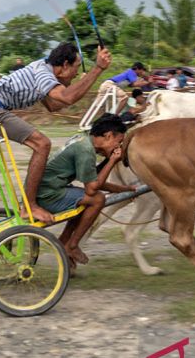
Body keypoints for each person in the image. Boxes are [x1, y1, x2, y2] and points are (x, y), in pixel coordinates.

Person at [0, 43, 112, 241]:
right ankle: (29, 206)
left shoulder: (40, 69)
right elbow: (67, 98)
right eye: (76, 69)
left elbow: (54, 105)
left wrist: (76, 85)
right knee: (42, 144)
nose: (76, 75)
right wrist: (98, 69)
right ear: (65, 65)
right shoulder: (44, 74)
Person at [35, 113, 135, 266]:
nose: (118, 147)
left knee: (82, 200)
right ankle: (73, 245)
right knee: (97, 199)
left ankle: (64, 242)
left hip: (49, 188)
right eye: (119, 141)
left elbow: (95, 181)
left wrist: (124, 189)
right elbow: (92, 189)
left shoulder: (82, 140)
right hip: (48, 195)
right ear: (108, 136)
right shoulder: (85, 151)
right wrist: (112, 161)